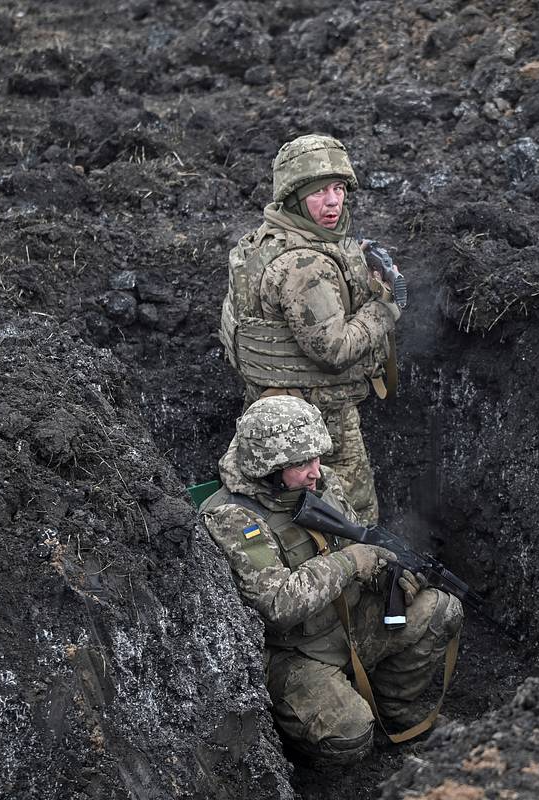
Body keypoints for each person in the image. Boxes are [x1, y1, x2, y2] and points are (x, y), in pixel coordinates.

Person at [198, 395, 464, 766]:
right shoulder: (235, 519)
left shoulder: (319, 486)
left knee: (441, 609)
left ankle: (395, 709)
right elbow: (276, 606)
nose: (316, 471)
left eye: (317, 458)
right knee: (350, 737)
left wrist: (390, 573)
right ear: (269, 467)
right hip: (294, 652)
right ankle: (298, 736)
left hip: (345, 622)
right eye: (302, 463)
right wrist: (351, 563)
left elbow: (360, 540)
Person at [219, 133, 401, 525]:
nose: (333, 201)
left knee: (284, 512)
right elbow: (334, 350)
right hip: (320, 420)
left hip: (269, 410)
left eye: (338, 188)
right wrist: (386, 309)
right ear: (295, 197)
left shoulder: (263, 242)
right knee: (355, 517)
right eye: (319, 191)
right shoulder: (305, 265)